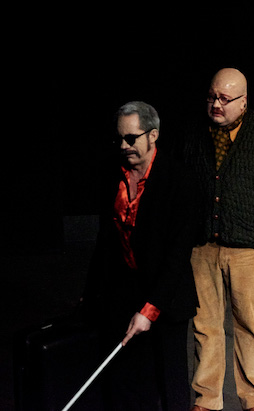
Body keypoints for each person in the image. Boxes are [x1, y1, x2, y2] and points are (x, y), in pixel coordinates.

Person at [182, 68, 254, 411]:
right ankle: (207, 399)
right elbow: (178, 184)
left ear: (243, 101)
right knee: (205, 327)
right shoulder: (194, 132)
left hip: (248, 246)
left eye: (224, 98)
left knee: (250, 326)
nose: (216, 104)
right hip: (202, 246)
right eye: (211, 97)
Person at [82, 101, 198, 410]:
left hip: (166, 297)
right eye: (120, 138)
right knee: (128, 379)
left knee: (170, 380)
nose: (124, 146)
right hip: (124, 292)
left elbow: (177, 254)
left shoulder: (179, 179)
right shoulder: (112, 174)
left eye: (131, 138)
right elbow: (105, 242)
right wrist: (90, 295)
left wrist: (149, 310)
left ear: (153, 135)